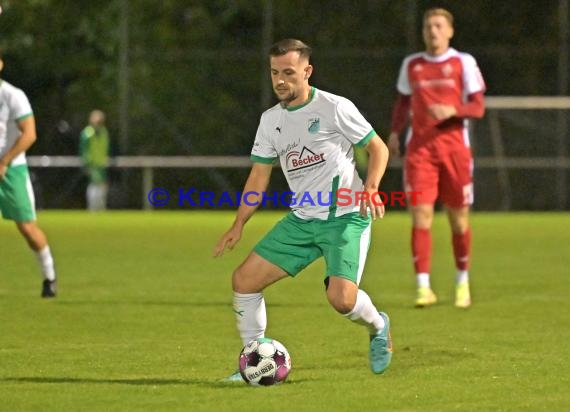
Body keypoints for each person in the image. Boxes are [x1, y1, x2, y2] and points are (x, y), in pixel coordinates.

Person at [214, 38, 392, 380]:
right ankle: (254, 360)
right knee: (244, 280)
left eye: (289, 73)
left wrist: (371, 188)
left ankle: (378, 325)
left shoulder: (334, 107)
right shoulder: (270, 121)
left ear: (307, 71)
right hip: (302, 219)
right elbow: (258, 176)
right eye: (274, 73)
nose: (280, 80)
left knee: (341, 300)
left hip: (346, 219)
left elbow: (378, 148)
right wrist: (238, 223)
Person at [387, 8, 486, 308]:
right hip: (420, 152)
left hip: (455, 149)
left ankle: (462, 281)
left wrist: (454, 110)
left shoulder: (462, 62)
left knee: (458, 220)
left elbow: (478, 107)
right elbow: (403, 103)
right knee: (421, 216)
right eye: (428, 26)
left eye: (439, 26)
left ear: (450, 31)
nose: (433, 31)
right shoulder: (412, 64)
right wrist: (394, 133)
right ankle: (423, 287)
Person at [0, 54, 58, 298]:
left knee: (27, 227)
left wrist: (5, 161)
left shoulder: (13, 95)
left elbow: (29, 134)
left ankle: (49, 276)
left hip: (11, 170)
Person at [79, 109, 110, 211]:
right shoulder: (87, 133)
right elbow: (83, 150)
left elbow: (106, 148)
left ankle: (101, 209)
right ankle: (92, 209)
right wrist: (86, 164)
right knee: (94, 186)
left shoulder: (104, 132)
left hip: (102, 164)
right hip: (91, 164)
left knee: (102, 187)